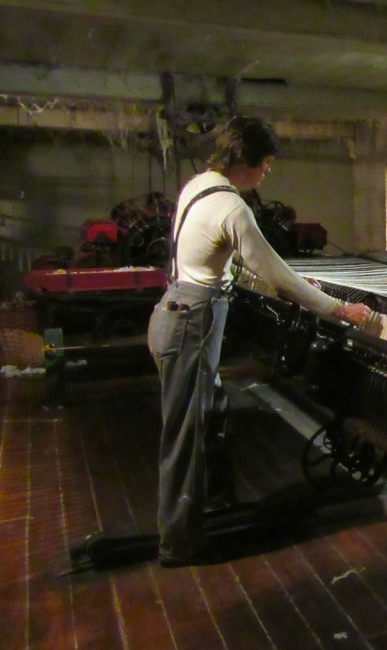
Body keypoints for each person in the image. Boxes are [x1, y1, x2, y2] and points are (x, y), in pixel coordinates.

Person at [147, 115, 372, 566]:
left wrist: (280, 277)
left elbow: (225, 260)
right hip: (193, 323)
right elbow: (278, 276)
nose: (268, 172)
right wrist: (337, 308)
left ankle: (212, 505)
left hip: (176, 313)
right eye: (265, 163)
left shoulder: (197, 186)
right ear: (243, 161)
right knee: (185, 436)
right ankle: (177, 542)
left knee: (210, 415)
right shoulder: (233, 208)